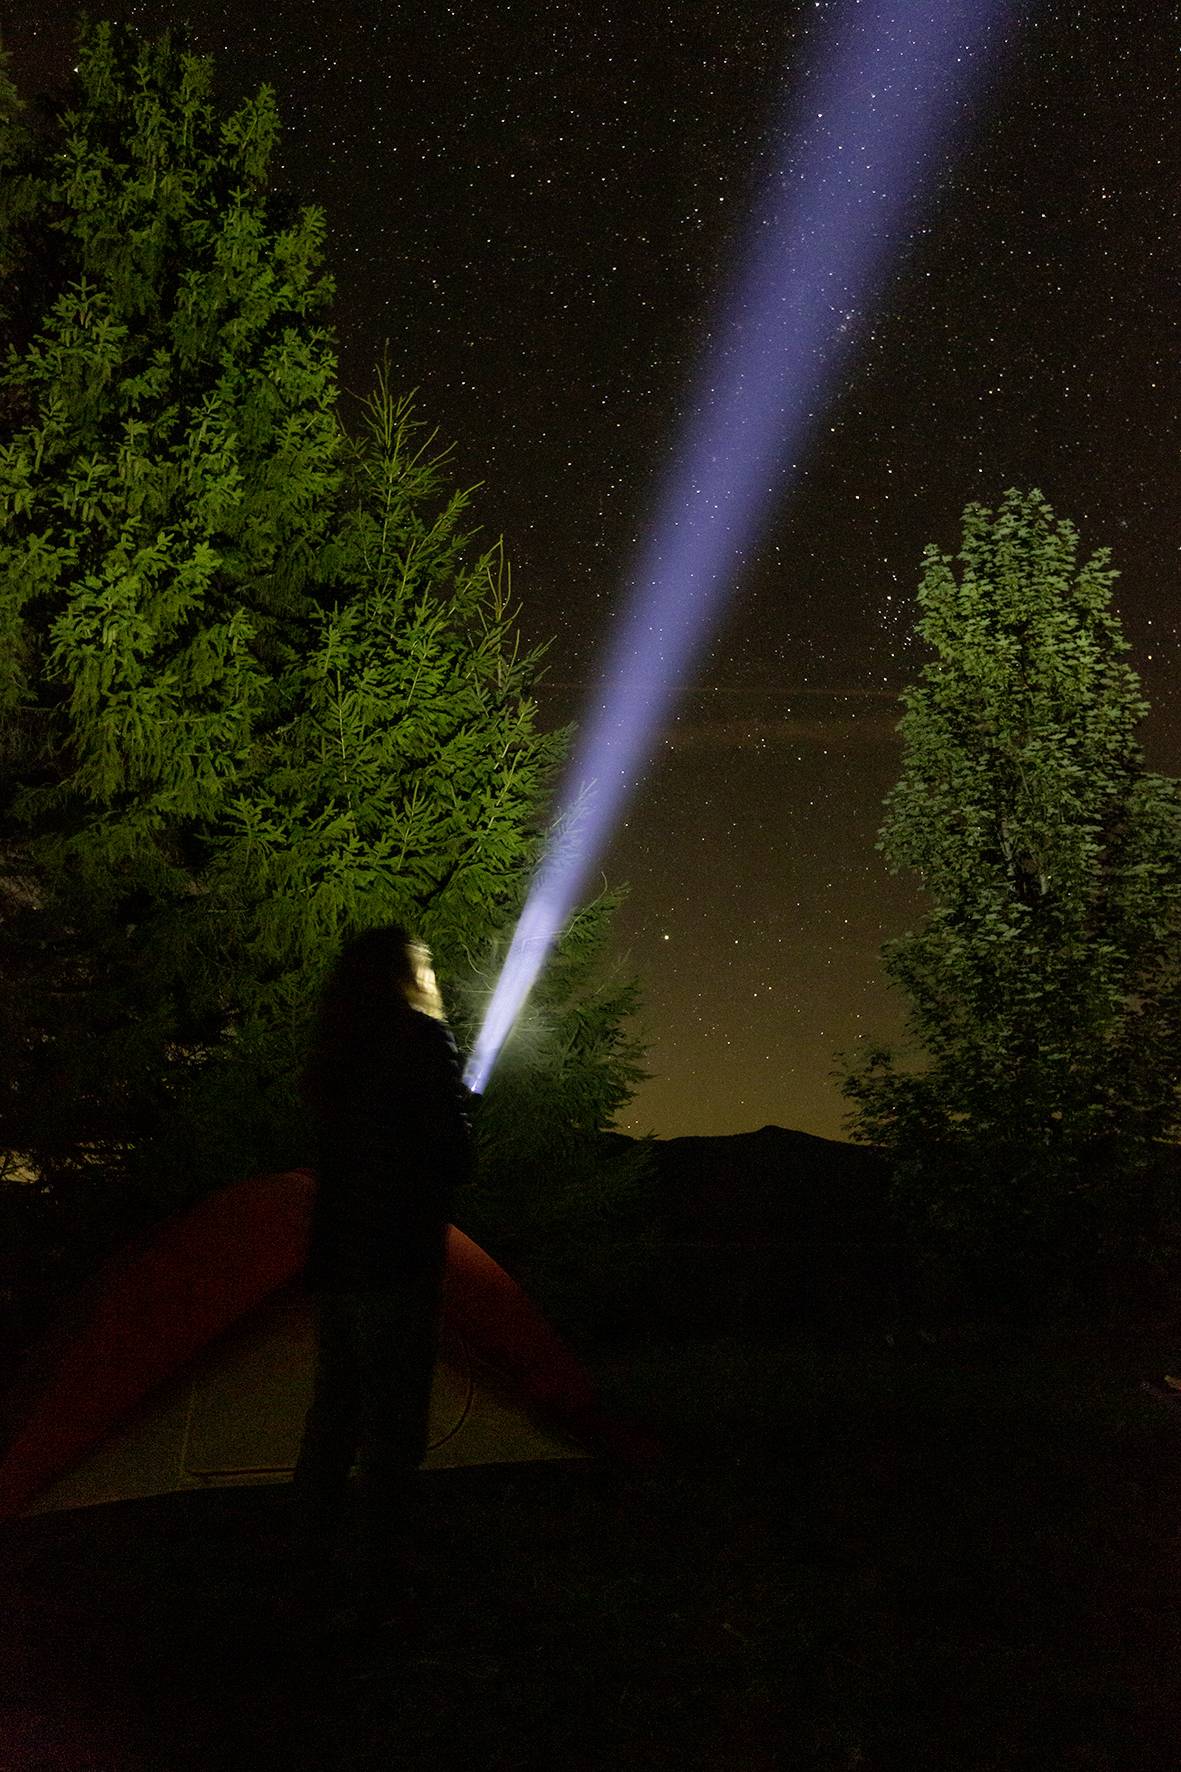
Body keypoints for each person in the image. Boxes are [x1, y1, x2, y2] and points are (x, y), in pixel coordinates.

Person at [289, 924, 474, 1631]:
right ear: (402, 974)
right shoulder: (419, 1040)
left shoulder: (334, 1051)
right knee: (394, 1424)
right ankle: (380, 1581)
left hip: (335, 1259)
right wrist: (458, 1110)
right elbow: (450, 1155)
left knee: (333, 1415)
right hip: (395, 1259)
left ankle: (308, 1564)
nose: (432, 974)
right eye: (423, 963)